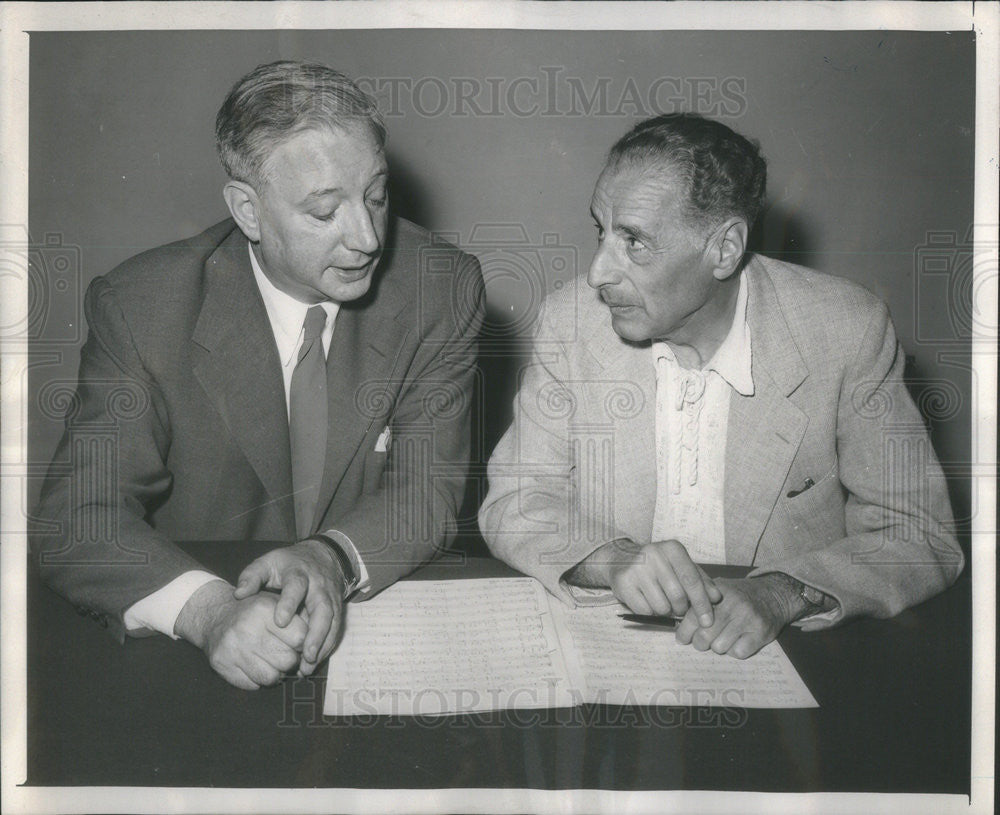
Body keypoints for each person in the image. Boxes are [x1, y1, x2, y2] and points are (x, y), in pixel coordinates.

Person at [32, 61, 484, 689]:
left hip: (371, 625)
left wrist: (331, 558)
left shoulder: (441, 286)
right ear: (248, 210)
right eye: (325, 212)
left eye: (376, 196)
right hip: (193, 653)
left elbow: (426, 492)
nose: (367, 237)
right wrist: (208, 611)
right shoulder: (141, 306)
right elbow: (76, 518)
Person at [479, 113, 962, 659]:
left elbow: (919, 536)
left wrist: (783, 594)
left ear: (725, 248)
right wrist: (612, 558)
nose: (597, 273)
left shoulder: (846, 331)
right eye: (602, 231)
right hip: (614, 650)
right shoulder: (569, 322)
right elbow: (516, 501)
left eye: (634, 240)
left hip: (787, 653)